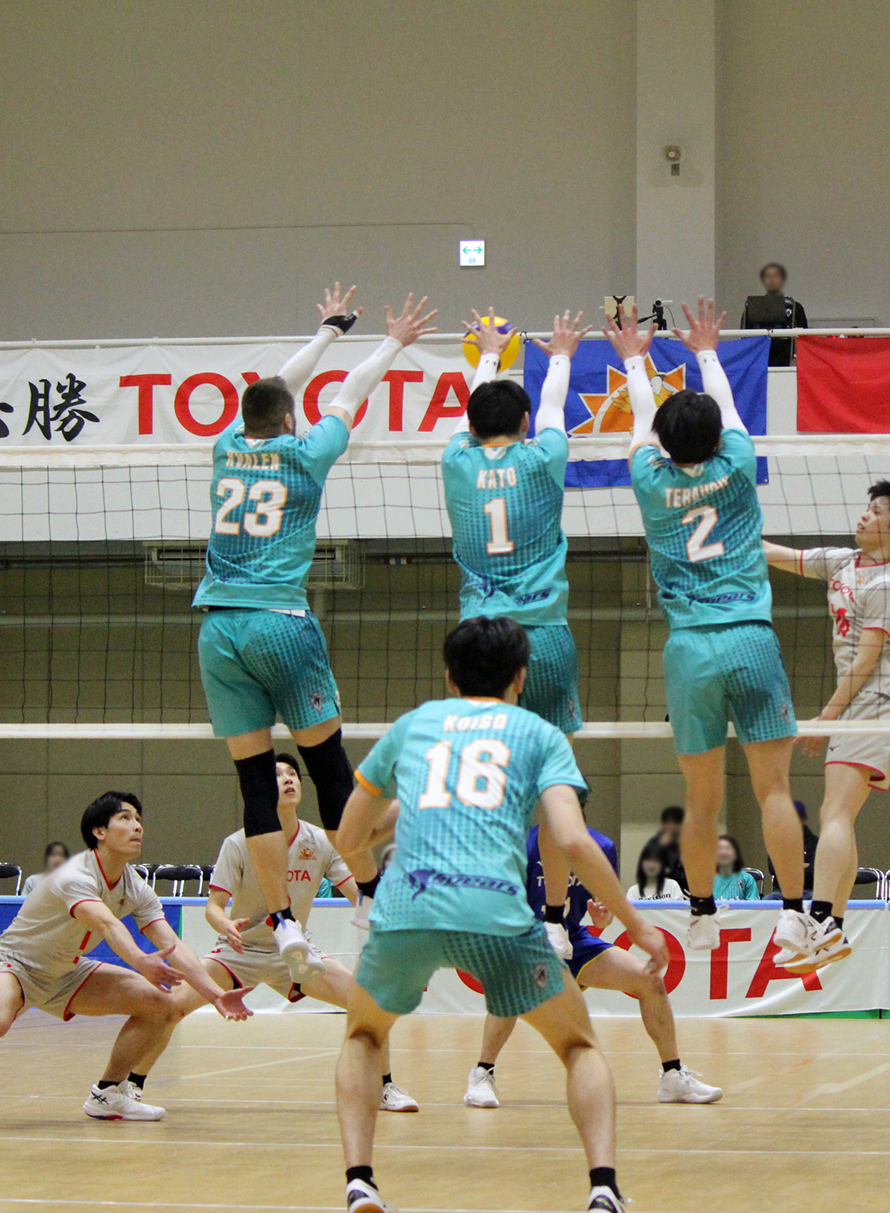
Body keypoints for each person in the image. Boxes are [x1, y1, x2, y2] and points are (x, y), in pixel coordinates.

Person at [331, 616, 667, 1213]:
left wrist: (405, 816)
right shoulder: (541, 734)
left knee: (363, 1034)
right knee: (579, 1047)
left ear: (449, 677)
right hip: (495, 913)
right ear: (520, 677)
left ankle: (360, 1181)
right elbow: (573, 840)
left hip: (407, 908)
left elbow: (349, 839)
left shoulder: (413, 726)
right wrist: (638, 925)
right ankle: (603, 1188)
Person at [195, 284, 437, 983]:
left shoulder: (225, 446)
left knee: (255, 784)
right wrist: (390, 341)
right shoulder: (306, 455)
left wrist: (328, 330)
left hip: (218, 630)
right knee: (329, 767)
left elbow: (278, 386)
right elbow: (349, 394)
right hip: (280, 623)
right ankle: (370, 898)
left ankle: (284, 923)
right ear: (288, 419)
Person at [608, 297, 810, 963]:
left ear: (665, 446)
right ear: (718, 439)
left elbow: (643, 420)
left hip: (691, 647)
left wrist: (634, 360)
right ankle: (792, 913)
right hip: (751, 635)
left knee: (701, 797)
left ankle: (699, 914)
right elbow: (727, 406)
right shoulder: (737, 465)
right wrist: (706, 352)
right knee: (774, 789)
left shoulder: (650, 481)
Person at [0, 793, 249, 1127]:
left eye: (139, 819)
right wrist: (140, 961)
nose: (137, 826)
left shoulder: (135, 886)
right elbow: (105, 923)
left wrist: (216, 995)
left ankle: (108, 1094)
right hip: (17, 964)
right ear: (99, 832)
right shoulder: (74, 874)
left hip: (66, 972)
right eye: (125, 818)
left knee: (162, 1005)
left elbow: (172, 944)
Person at [132, 753, 418, 1113]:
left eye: (293, 773)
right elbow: (213, 907)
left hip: (296, 956)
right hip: (238, 953)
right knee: (171, 1006)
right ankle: (129, 1086)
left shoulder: (320, 841)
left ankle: (385, 1087)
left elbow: (357, 895)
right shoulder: (238, 843)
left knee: (368, 1004)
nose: (288, 779)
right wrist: (225, 925)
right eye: (278, 774)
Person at [442, 309, 593, 953]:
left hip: (480, 640)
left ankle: (487, 907)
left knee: (482, 782)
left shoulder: (456, 460)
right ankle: (556, 919)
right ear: (525, 422)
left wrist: (487, 353)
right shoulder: (544, 457)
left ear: (472, 425)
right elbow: (553, 406)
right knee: (552, 787)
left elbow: (473, 415)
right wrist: (559, 354)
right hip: (544, 637)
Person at [763, 480, 890, 972]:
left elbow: (865, 662)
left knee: (833, 813)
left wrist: (825, 719)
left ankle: (820, 919)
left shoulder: (889, 588)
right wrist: (729, 529)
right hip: (856, 711)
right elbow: (782, 556)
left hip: (871, 708)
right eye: (867, 507)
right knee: (842, 815)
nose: (864, 515)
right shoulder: (843, 562)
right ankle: (833, 926)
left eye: (876, 511)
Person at [464, 818, 722, 1110]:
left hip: (575, 942)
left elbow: (604, 914)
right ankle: (482, 1074)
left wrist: (603, 916)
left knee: (649, 979)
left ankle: (672, 1076)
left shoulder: (601, 846)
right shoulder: (522, 845)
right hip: (529, 942)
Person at [739, 262, 808, 367]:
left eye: (775, 276)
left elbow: (804, 336)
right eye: (768, 276)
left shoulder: (795, 307)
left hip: (786, 360)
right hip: (758, 357)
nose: (772, 280)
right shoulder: (751, 307)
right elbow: (744, 334)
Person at [712, 835, 759, 901]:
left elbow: (754, 905)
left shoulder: (747, 879)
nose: (724, 852)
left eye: (727, 848)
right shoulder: (706, 879)